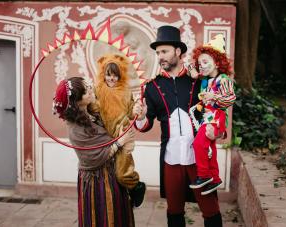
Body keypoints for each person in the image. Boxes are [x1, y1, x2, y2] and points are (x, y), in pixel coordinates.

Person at [133, 25, 223, 227]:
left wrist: (217, 130)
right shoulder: (152, 86)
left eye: (164, 51)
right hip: (171, 158)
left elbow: (216, 111)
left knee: (210, 209)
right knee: (174, 211)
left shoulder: (198, 81)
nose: (160, 57)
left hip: (198, 157)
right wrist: (141, 116)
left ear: (178, 51)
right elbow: (146, 124)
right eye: (157, 53)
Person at [53, 77, 135, 227]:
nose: (91, 89)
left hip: (113, 174)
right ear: (78, 101)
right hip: (97, 181)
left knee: (118, 215)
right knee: (103, 217)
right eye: (86, 90)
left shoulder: (93, 111)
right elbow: (93, 158)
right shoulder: (76, 129)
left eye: (88, 86)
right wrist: (120, 142)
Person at [94, 54, 146, 208]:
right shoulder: (97, 89)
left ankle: (136, 186)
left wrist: (137, 109)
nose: (112, 79)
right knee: (106, 175)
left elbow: (131, 113)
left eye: (115, 75)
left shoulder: (125, 92)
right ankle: (113, 204)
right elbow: (91, 107)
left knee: (122, 173)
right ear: (103, 74)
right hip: (103, 137)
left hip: (123, 134)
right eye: (109, 75)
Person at [187, 36, 236, 195]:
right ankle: (215, 179)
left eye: (206, 62)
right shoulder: (206, 80)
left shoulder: (224, 80)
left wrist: (214, 97)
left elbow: (230, 99)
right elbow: (193, 70)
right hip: (207, 117)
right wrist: (194, 72)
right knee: (209, 147)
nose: (202, 66)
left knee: (198, 144)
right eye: (200, 63)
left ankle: (203, 175)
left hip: (217, 117)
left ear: (217, 62)